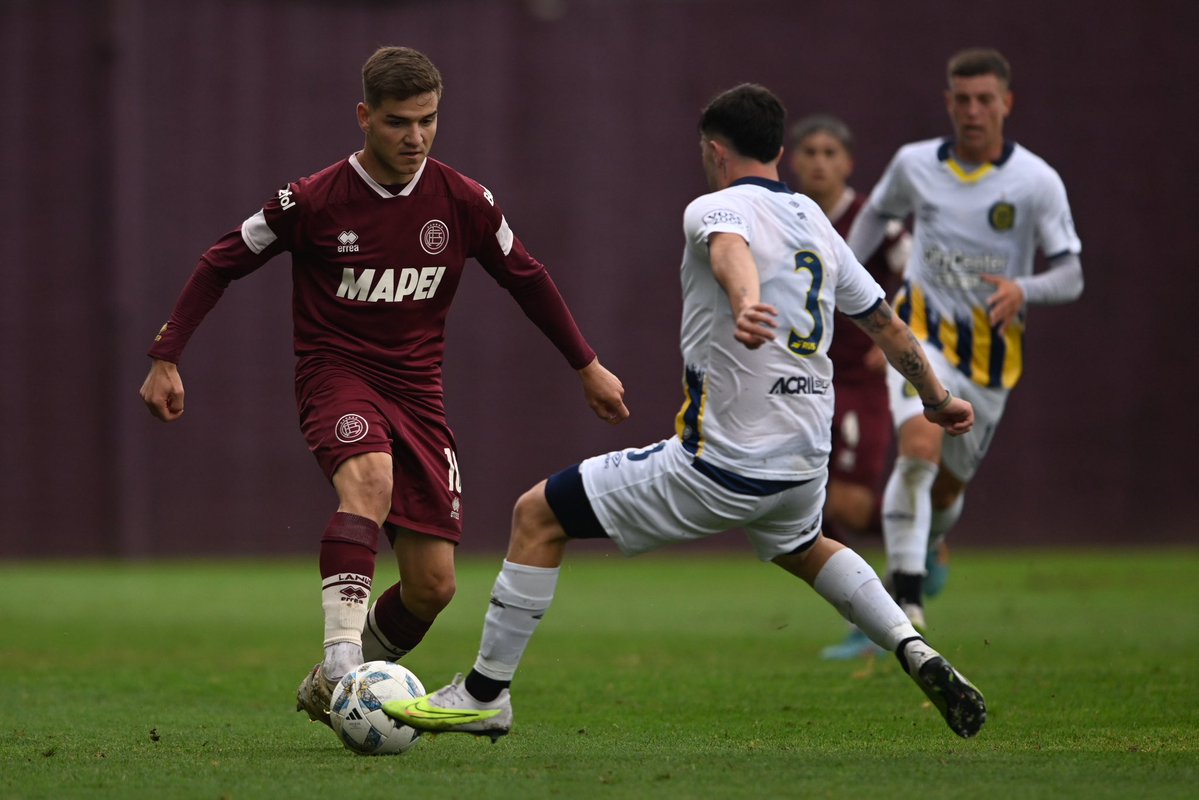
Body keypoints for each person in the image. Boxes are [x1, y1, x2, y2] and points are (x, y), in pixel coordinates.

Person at [382, 83, 987, 741]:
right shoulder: (817, 222)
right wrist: (936, 399)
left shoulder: (713, 205)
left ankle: (483, 694)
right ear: (780, 149)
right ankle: (910, 645)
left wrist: (745, 299)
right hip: (800, 459)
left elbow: (729, 249)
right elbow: (886, 324)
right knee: (802, 545)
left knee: (537, 514)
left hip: (723, 462)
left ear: (712, 149)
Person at [138, 45, 629, 729]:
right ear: (365, 117)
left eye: (428, 120)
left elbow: (527, 276)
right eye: (400, 122)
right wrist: (167, 355)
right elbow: (222, 259)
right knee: (368, 480)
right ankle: (343, 662)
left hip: (418, 395)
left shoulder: (463, 201)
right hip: (336, 376)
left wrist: (586, 364)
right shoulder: (309, 200)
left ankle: (329, 686)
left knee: (432, 587)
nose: (417, 137)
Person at [845, 48, 1084, 631]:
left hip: (989, 360)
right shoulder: (915, 163)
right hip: (919, 335)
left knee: (947, 489)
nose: (973, 111)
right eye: (963, 100)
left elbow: (1072, 273)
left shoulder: (1036, 181)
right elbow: (877, 214)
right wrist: (847, 270)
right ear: (949, 103)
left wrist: (1025, 289)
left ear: (1006, 103)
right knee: (918, 452)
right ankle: (905, 606)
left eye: (985, 100)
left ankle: (927, 548)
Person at [787, 115, 931, 661]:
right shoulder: (787, 214)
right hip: (800, 377)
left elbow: (919, 273)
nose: (819, 161)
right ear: (793, 160)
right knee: (804, 492)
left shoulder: (873, 221)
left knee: (847, 501)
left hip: (859, 378)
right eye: (810, 151)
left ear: (847, 162)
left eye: (830, 152)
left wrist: (896, 331)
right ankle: (879, 593)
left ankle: (914, 556)